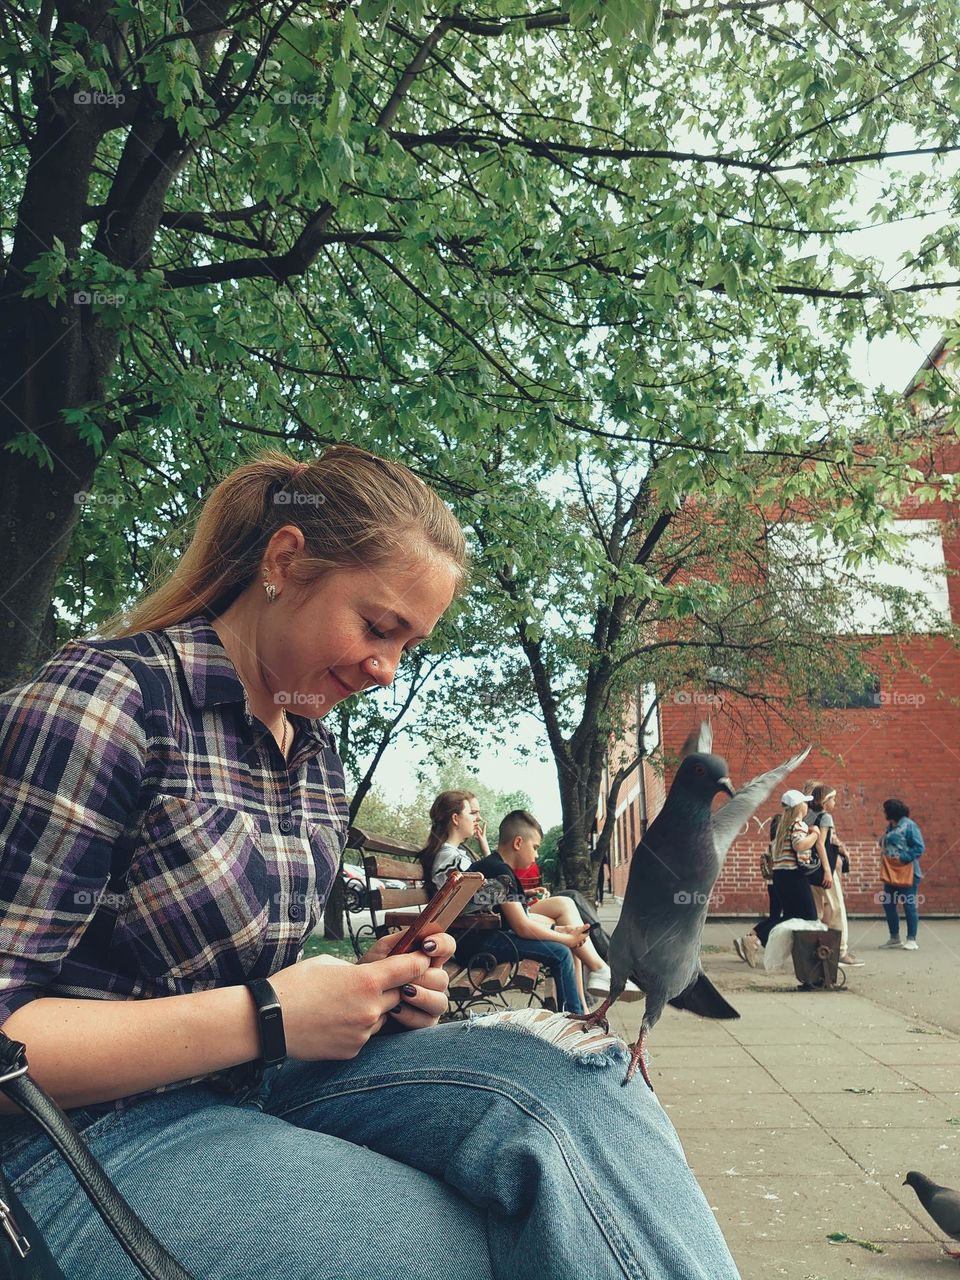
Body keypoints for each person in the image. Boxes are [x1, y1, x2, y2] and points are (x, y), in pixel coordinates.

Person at [0, 446, 740, 1280]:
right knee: (479, 1251)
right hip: (77, 1138)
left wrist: (369, 986)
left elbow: (250, 974)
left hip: (262, 1078)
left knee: (594, 1084)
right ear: (285, 562)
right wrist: (271, 1014)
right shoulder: (108, 702)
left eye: (410, 645)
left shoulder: (312, 752)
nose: (386, 670)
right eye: (378, 627)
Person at [458, 811, 615, 1010]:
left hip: (479, 938)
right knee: (561, 953)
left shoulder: (496, 867)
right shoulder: (500, 872)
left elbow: (516, 918)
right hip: (476, 945)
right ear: (518, 843)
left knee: (561, 947)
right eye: (535, 847)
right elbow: (522, 926)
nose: (537, 855)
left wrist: (561, 931)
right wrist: (566, 939)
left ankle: (577, 1010)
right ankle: (575, 1018)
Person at [806, 784, 863, 967]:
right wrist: (828, 871)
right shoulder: (826, 817)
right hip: (825, 870)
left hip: (810, 870)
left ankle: (815, 949)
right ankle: (841, 951)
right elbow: (821, 844)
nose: (835, 802)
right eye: (832, 798)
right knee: (837, 907)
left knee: (817, 911)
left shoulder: (808, 816)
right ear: (824, 801)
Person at [769, 788, 831, 923]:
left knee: (790, 916)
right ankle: (755, 938)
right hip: (793, 875)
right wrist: (815, 834)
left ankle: (754, 938)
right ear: (798, 807)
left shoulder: (783, 826)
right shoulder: (798, 824)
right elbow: (799, 845)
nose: (807, 806)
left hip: (779, 874)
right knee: (810, 916)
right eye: (804, 803)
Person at [734, 807, 786, 968]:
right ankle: (754, 941)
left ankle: (749, 937)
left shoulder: (772, 843)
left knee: (774, 917)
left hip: (772, 885)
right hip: (782, 884)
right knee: (783, 918)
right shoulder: (782, 843)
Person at [418, 789, 488, 892]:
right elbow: (482, 894)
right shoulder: (451, 859)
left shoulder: (452, 856)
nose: (477, 819)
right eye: (471, 813)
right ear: (455, 819)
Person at [878, 797, 925, 951]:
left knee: (909, 904)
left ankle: (912, 939)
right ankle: (894, 937)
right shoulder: (891, 826)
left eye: (886, 810)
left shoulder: (909, 826)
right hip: (891, 871)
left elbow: (919, 847)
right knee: (888, 904)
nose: (884, 813)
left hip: (908, 872)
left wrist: (903, 858)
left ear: (892, 811)